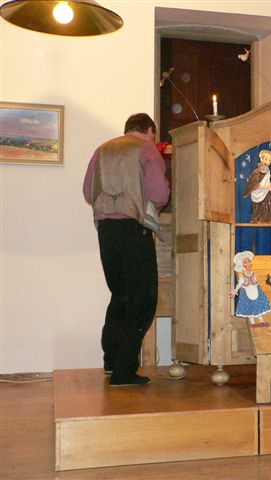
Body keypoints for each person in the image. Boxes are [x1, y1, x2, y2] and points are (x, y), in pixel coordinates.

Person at [83, 113, 170, 386]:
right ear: (149, 130)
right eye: (154, 134)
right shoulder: (146, 149)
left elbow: (88, 192)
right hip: (134, 228)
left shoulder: (102, 149)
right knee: (142, 300)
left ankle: (111, 362)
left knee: (120, 295)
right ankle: (124, 371)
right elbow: (159, 194)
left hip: (106, 230)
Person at [229, 251, 271, 327]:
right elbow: (239, 284)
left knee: (258, 306)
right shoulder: (243, 276)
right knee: (250, 308)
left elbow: (256, 282)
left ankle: (262, 321)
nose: (248, 264)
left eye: (249, 261)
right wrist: (235, 290)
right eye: (245, 262)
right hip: (247, 293)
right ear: (243, 265)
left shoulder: (254, 274)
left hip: (256, 292)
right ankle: (253, 323)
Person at [244, 149, 271, 224]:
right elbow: (254, 185)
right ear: (261, 159)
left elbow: (267, 183)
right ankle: (257, 219)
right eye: (265, 159)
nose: (267, 161)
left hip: (266, 193)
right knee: (258, 207)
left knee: (267, 205)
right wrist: (267, 188)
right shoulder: (256, 172)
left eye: (269, 160)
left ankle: (266, 219)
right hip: (257, 193)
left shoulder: (268, 172)